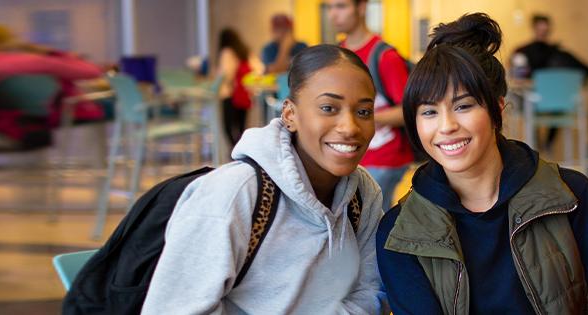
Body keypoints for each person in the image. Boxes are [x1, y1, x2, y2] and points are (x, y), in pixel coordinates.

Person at [375, 13, 588, 314]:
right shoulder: (400, 233)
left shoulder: (572, 197)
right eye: (429, 112)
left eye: (463, 106)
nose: (446, 126)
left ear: (498, 110)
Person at [142, 45, 385, 314]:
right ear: (290, 115)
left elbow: (371, 290)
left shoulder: (363, 194)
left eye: (364, 112)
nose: (350, 127)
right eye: (328, 108)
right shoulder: (234, 195)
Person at [327, 0, 413, 207]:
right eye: (329, 7)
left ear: (362, 7)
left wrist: (363, 116)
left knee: (370, 226)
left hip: (385, 156)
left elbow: (408, 109)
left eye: (341, 6)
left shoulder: (385, 56)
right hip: (352, 153)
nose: (333, 14)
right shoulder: (337, 54)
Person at [511, 14, 588, 151]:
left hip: (536, 103)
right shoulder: (558, 53)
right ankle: (545, 145)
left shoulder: (523, 52)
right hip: (561, 104)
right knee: (548, 103)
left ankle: (536, 147)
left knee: (527, 105)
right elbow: (587, 71)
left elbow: (517, 79)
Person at [216, 28, 255, 147]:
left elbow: (226, 74)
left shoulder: (227, 52)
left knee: (228, 127)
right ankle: (242, 152)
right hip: (243, 93)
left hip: (229, 94)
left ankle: (235, 152)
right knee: (241, 127)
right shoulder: (244, 52)